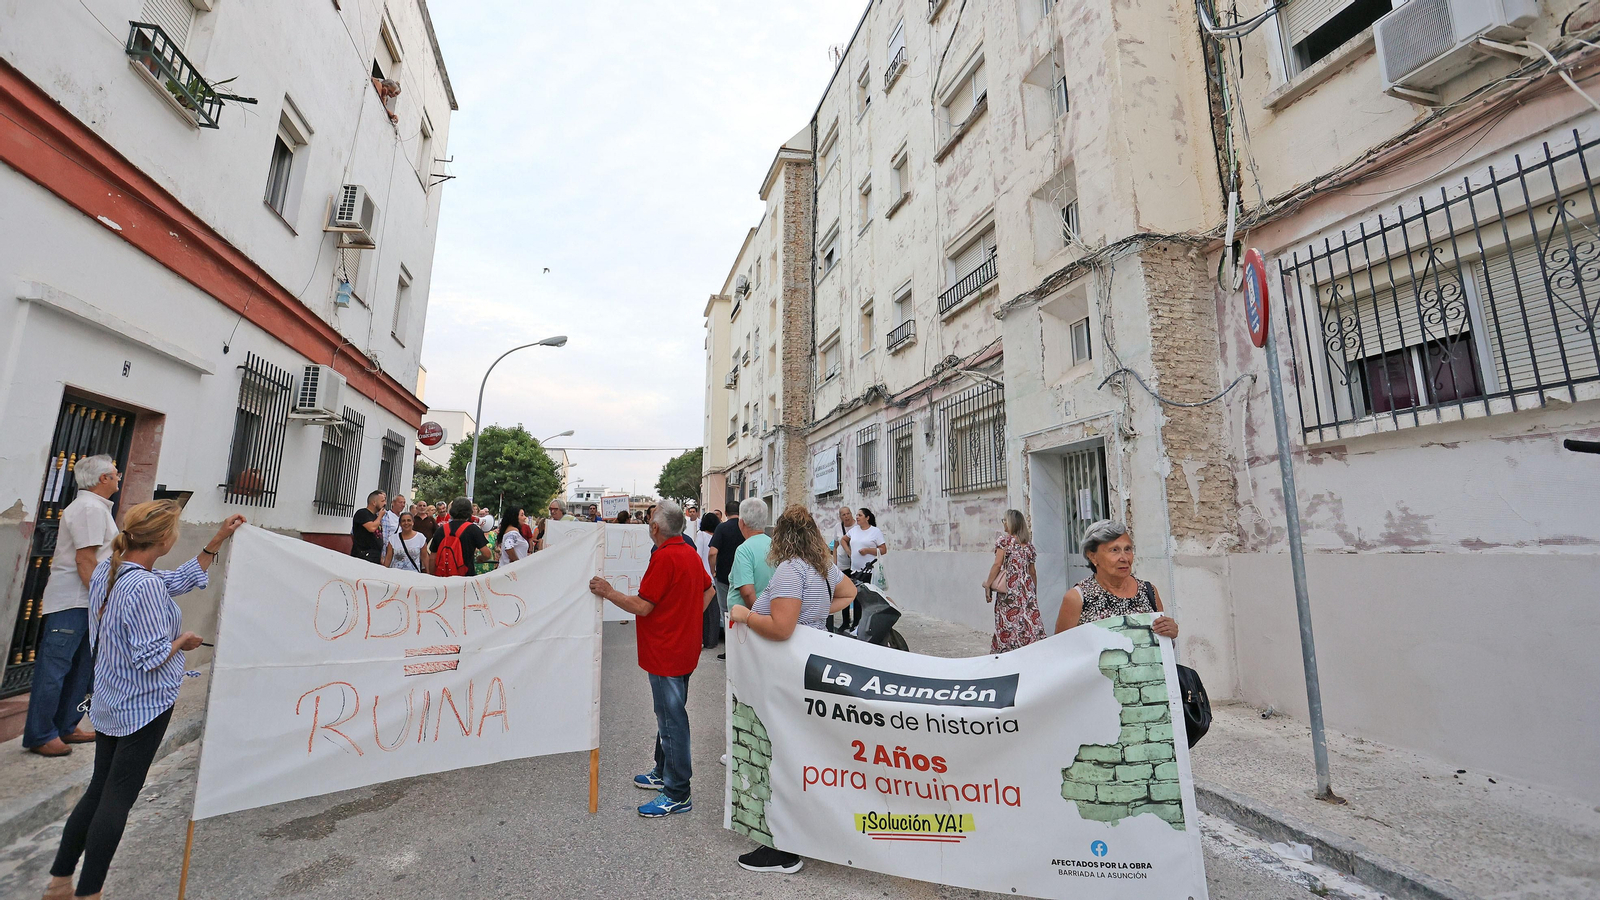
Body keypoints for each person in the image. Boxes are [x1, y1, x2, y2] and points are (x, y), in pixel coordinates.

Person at [42, 502, 245, 900]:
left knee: (99, 789)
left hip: (111, 699)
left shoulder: (110, 570)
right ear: (166, 539)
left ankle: (60, 881)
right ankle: (89, 892)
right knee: (118, 795)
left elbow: (177, 580)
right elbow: (150, 656)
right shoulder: (145, 585)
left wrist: (217, 538)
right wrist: (183, 642)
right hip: (143, 704)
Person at [727, 505, 856, 874]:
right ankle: (804, 834)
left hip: (786, 671)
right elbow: (849, 594)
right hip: (812, 662)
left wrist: (745, 616)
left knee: (781, 752)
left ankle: (782, 848)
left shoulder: (789, 569)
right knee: (802, 750)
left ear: (780, 535)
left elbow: (782, 628)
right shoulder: (822, 567)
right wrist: (814, 617)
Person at [588, 501, 712, 819]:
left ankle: (677, 792)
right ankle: (662, 771)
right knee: (668, 715)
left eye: (649, 520)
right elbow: (708, 590)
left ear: (655, 527)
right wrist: (688, 618)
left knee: (672, 720)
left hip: (666, 651)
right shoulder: (687, 551)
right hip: (680, 647)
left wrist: (608, 591)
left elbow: (643, 606)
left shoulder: (667, 556)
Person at [25, 455, 120, 758]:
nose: (119, 477)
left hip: (84, 602)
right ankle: (41, 733)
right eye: (115, 473)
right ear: (102, 479)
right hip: (75, 601)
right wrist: (101, 600)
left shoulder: (97, 508)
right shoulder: (90, 509)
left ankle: (66, 724)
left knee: (80, 668)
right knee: (55, 668)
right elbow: (86, 559)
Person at [1055, 520, 1178, 640]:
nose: (1124, 558)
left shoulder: (1148, 591)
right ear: (1092, 556)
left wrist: (1169, 633)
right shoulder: (1077, 598)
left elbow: (1162, 646)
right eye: (1114, 550)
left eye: (1128, 549)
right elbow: (1061, 651)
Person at [983, 509, 1046, 652]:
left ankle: (1007, 653)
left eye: (1004, 520)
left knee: (1008, 623)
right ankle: (1030, 651)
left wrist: (988, 585)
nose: (1003, 523)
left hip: (1009, 590)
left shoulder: (1004, 542)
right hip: (1026, 590)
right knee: (1028, 622)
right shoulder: (1029, 546)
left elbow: (997, 565)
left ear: (1011, 523)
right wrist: (1033, 592)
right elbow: (1033, 572)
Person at [427, 497, 491, 577]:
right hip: (465, 577)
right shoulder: (473, 529)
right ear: (470, 511)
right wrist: (480, 559)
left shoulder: (441, 529)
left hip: (444, 578)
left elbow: (432, 558)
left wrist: (433, 576)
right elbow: (487, 554)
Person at [706, 508, 745, 635]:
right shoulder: (745, 528)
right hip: (743, 576)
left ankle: (729, 647)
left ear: (726, 513)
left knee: (726, 611)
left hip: (723, 576)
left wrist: (713, 571)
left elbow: (713, 552)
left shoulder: (721, 528)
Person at [828, 507, 856, 632]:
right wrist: (835, 562)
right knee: (843, 592)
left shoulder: (857, 526)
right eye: (843, 514)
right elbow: (835, 545)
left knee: (857, 593)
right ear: (840, 516)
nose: (846, 516)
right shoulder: (838, 527)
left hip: (856, 565)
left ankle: (856, 622)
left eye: (848, 513)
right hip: (842, 564)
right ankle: (845, 621)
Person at [351, 490, 386, 564]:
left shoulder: (375, 517)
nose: (385, 503)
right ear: (374, 502)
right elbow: (371, 528)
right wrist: (380, 516)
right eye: (382, 501)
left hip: (376, 555)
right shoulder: (362, 513)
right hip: (364, 555)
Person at [694, 512, 720, 578]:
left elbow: (698, 554)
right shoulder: (718, 535)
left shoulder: (701, 534)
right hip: (716, 572)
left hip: (705, 572)